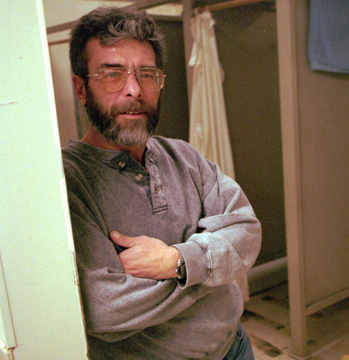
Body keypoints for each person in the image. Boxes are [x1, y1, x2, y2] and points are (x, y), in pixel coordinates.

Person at [62, 6, 261, 360]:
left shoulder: (185, 157)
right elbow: (102, 310)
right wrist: (210, 271)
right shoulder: (67, 181)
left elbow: (246, 234)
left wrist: (178, 262)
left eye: (147, 74)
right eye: (112, 74)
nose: (134, 90)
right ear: (80, 88)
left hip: (236, 346)